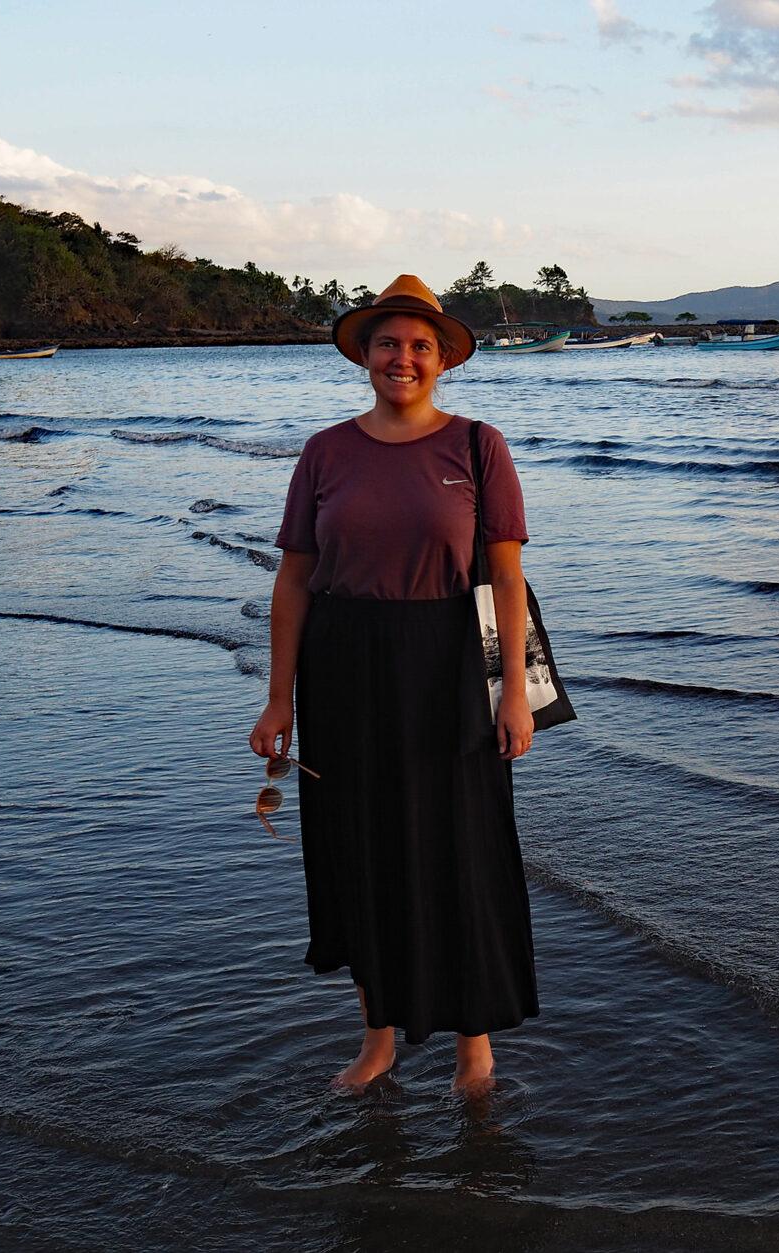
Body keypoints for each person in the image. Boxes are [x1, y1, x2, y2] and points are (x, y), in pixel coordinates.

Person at [249, 274, 539, 1096]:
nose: (401, 357)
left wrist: (509, 691)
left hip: (448, 664)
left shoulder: (478, 446)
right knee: (359, 850)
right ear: (364, 356)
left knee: (464, 848)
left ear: (442, 357)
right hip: (344, 668)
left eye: (419, 345)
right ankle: (377, 1037)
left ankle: (472, 1044)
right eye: (386, 343)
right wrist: (280, 696)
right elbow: (294, 582)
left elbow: (506, 582)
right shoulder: (325, 452)